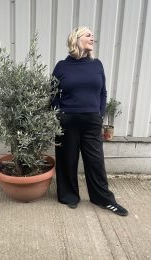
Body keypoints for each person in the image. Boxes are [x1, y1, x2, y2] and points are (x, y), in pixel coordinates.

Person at [51, 26, 128, 216]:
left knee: (95, 161)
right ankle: (69, 196)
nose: (92, 38)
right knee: (67, 159)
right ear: (76, 39)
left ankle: (103, 199)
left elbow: (103, 92)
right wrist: (58, 114)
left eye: (93, 35)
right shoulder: (62, 66)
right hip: (67, 121)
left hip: (92, 121)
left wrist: (100, 114)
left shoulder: (97, 64)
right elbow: (52, 94)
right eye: (88, 35)